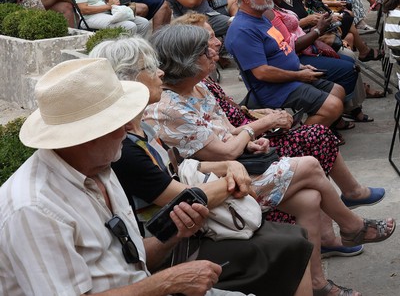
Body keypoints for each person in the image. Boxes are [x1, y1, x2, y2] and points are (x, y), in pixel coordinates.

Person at [146, 24, 396, 296]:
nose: (214, 51)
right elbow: (225, 154)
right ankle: (353, 225)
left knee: (310, 198)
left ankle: (317, 283)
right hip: (222, 186)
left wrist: (251, 141)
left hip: (241, 168)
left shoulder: (200, 87)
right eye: (204, 51)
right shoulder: (169, 108)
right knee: (311, 163)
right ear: (187, 62)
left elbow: (228, 131)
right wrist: (255, 129)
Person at [92, 36, 315, 296]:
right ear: (127, 80)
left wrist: (228, 166)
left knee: (300, 222)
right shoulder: (127, 146)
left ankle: (325, 270)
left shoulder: (144, 128)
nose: (160, 72)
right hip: (171, 245)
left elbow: (180, 166)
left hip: (189, 228)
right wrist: (232, 175)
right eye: (150, 67)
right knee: (291, 243)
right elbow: (183, 197)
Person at [0, 58, 241, 295]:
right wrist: (168, 282)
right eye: (118, 122)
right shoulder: (34, 208)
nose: (127, 130)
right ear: (87, 136)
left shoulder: (98, 165)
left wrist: (175, 234)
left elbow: (129, 261)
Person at [224, 0, 348, 128]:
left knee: (338, 91)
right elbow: (262, 72)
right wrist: (299, 75)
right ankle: (296, 139)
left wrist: (300, 67)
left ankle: (319, 131)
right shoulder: (243, 30)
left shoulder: (261, 17)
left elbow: (281, 49)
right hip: (273, 89)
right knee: (333, 106)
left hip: (291, 76)